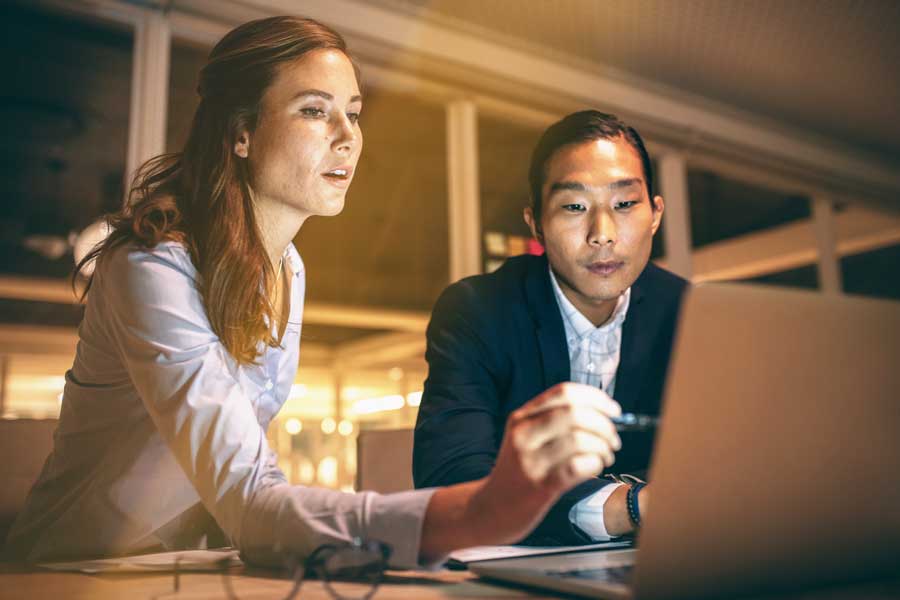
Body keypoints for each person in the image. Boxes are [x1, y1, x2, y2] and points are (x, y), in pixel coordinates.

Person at [4, 18, 623, 568]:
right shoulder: (153, 269)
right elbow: (249, 493)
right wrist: (478, 511)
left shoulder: (289, 269)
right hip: (65, 575)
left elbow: (247, 494)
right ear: (241, 133)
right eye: (313, 110)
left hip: (189, 567)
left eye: (353, 112)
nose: (348, 135)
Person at [413, 110, 688, 545]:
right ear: (536, 223)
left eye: (624, 204)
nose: (602, 233)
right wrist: (629, 507)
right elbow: (450, 482)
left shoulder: (689, 312)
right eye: (575, 206)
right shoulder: (478, 311)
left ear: (655, 214)